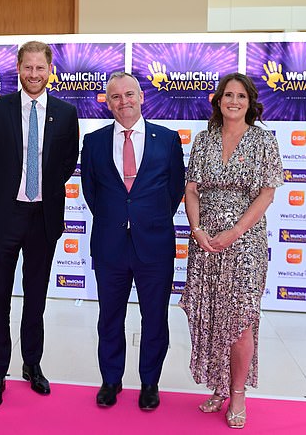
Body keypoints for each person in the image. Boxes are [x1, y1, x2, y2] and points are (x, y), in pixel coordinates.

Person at [0, 40, 79, 410]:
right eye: (28, 67)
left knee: (35, 299)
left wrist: (41, 191)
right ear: (18, 68)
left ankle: (31, 364)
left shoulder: (66, 114)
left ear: (50, 70)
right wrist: (8, 189)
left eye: (40, 68)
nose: (34, 75)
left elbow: (67, 162)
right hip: (5, 216)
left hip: (43, 218)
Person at [179, 72, 283, 429]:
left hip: (246, 244)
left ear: (249, 102)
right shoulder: (203, 141)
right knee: (212, 317)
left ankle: (237, 392)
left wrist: (235, 231)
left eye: (240, 96)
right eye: (228, 95)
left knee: (239, 321)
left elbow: (267, 193)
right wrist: (197, 229)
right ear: (218, 101)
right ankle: (219, 386)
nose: (234, 101)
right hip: (205, 242)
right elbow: (191, 189)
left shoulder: (265, 141)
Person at [81, 72, 185, 411]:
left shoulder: (167, 140)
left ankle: (149, 383)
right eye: (115, 97)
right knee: (109, 317)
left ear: (142, 97)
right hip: (110, 245)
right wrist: (119, 220)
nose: (123, 101)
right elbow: (92, 193)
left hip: (154, 245)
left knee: (154, 318)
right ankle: (111, 381)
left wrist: (146, 219)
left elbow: (174, 191)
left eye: (129, 94)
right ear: (107, 103)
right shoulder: (94, 142)